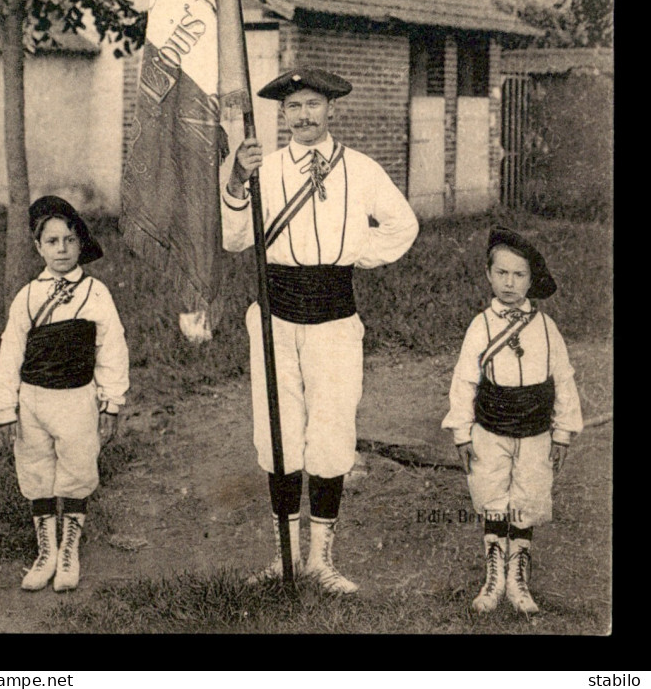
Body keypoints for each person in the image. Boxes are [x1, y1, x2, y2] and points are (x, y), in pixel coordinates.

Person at [222, 68, 419, 593]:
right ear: (281, 115)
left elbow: (403, 226)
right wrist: (238, 182)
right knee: (278, 432)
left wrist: (353, 255)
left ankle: (321, 562)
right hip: (275, 317)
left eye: (313, 104)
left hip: (334, 317)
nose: (304, 116)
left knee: (331, 431)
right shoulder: (262, 169)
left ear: (331, 108)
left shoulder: (360, 169)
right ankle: (285, 558)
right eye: (294, 107)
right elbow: (236, 239)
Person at [0, 196, 129, 592]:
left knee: (77, 471)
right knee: (36, 473)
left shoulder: (96, 293)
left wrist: (111, 402)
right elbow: (10, 351)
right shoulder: (27, 297)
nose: (62, 249)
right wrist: (5, 407)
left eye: (69, 240)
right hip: (32, 401)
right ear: (38, 247)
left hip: (77, 399)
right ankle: (46, 552)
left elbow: (112, 348)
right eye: (52, 242)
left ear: (80, 244)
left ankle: (69, 552)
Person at [442, 226, 583, 615]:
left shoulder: (546, 328)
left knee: (527, 495)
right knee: (491, 495)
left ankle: (518, 576)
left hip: (536, 431)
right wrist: (462, 432)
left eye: (519, 275)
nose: (509, 282)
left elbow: (563, 380)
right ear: (489, 275)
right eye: (501, 273)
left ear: (531, 279)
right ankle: (494, 576)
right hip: (490, 429)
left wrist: (563, 433)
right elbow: (464, 380)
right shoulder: (481, 326)